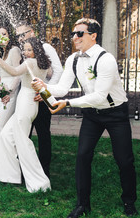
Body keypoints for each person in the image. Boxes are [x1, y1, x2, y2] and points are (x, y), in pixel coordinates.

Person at [32, 18, 138, 217]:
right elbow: (63, 88)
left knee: (124, 160)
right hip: (92, 115)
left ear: (93, 35)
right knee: (82, 156)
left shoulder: (106, 59)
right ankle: (82, 204)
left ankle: (129, 201)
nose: (74, 37)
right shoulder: (73, 59)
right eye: (73, 33)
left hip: (115, 113)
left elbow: (99, 96)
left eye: (79, 33)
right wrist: (44, 87)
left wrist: (68, 103)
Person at [0, 37, 51, 193]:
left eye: (29, 49)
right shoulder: (43, 63)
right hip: (28, 104)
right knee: (5, 136)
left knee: (22, 142)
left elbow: (14, 71)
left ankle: (39, 181)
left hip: (26, 105)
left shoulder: (31, 62)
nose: (25, 52)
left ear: (36, 50)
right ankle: (11, 175)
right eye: (25, 49)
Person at [15, 20, 63, 178]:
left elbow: (58, 70)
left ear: (32, 32)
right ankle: (23, 170)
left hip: (42, 98)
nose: (21, 38)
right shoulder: (23, 51)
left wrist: (45, 91)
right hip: (26, 97)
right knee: (24, 134)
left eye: (23, 34)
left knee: (43, 135)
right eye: (18, 36)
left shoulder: (46, 47)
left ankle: (44, 171)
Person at [0, 26, 22, 179]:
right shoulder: (2, 53)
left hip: (10, 94)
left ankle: (1, 165)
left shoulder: (15, 50)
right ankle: (0, 164)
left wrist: (9, 92)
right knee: (1, 128)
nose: (2, 36)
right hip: (1, 93)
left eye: (4, 34)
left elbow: (17, 74)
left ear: (9, 36)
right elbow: (5, 72)